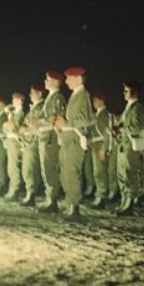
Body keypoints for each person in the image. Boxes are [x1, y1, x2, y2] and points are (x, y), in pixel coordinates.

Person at [55, 66, 92, 217]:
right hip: (68, 139)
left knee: (72, 172)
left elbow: (86, 119)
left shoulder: (83, 95)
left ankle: (74, 205)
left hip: (75, 139)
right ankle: (70, 202)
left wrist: (66, 124)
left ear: (78, 79)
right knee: (66, 172)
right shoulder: (75, 95)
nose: (67, 81)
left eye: (69, 78)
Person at [114, 81, 144, 216]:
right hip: (123, 145)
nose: (124, 93)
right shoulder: (128, 108)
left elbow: (138, 126)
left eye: (126, 91)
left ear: (134, 92)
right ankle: (124, 200)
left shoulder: (137, 108)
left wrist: (121, 128)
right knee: (122, 174)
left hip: (130, 146)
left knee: (129, 173)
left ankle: (130, 203)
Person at [36, 71, 67, 213]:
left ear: (55, 81)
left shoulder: (58, 98)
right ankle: (50, 198)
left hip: (51, 137)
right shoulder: (50, 97)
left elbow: (56, 118)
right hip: (44, 135)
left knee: (50, 168)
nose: (45, 81)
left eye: (48, 79)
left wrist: (40, 121)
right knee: (45, 167)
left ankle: (52, 199)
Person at [19, 84, 45, 206]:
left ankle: (31, 193)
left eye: (32, 93)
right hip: (29, 141)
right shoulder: (34, 108)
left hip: (34, 140)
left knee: (29, 169)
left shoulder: (42, 107)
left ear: (39, 93)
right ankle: (31, 192)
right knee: (28, 168)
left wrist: (27, 130)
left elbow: (39, 125)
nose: (30, 95)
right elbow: (26, 122)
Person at [89, 92, 111, 209]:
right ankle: (99, 194)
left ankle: (101, 196)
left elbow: (107, 133)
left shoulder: (104, 115)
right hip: (95, 144)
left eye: (96, 100)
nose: (94, 102)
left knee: (100, 172)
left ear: (101, 101)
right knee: (97, 172)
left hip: (100, 145)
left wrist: (104, 148)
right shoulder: (98, 114)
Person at [3, 92, 26, 201]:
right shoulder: (15, 112)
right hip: (11, 140)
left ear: (19, 101)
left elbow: (15, 127)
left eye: (14, 99)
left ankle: (15, 190)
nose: (12, 101)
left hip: (15, 141)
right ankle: (12, 189)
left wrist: (8, 125)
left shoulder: (20, 113)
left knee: (14, 166)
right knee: (11, 166)